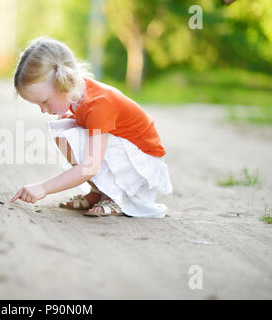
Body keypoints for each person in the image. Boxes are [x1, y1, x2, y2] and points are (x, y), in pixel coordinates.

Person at [10, 36, 173, 218]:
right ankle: (99, 191)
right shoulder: (78, 97)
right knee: (63, 129)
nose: (43, 110)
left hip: (142, 164)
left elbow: (90, 166)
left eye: (45, 102)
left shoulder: (98, 105)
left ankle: (115, 196)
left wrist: (44, 188)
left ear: (64, 83)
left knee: (73, 137)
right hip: (128, 154)